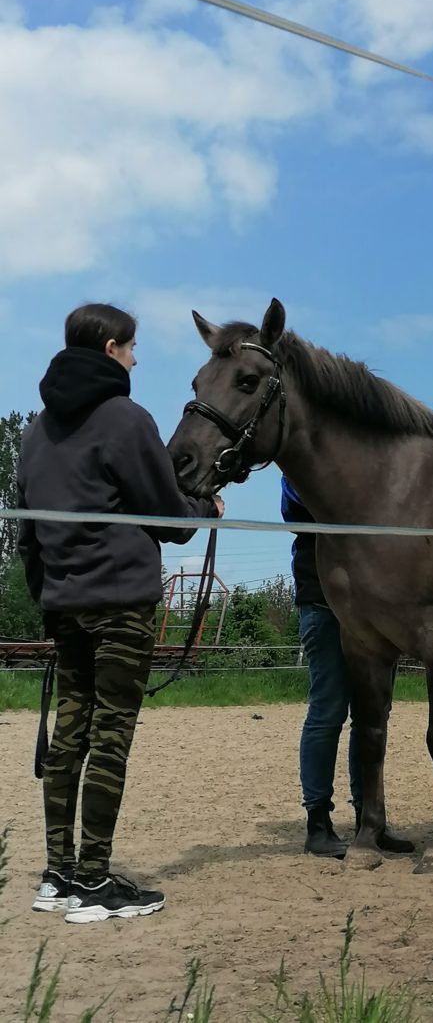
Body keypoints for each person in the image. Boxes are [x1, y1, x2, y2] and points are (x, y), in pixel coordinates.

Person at [17, 303, 223, 923]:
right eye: (132, 349)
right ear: (110, 349)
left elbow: (28, 536)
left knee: (70, 738)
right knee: (111, 738)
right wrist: (204, 510)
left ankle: (57, 873)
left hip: (65, 605)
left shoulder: (35, 431)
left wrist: (49, 596)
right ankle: (94, 879)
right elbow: (165, 514)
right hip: (122, 605)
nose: (137, 359)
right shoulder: (126, 420)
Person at [281, 477, 414, 858]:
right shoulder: (302, 470)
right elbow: (309, 502)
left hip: (374, 607)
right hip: (323, 600)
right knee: (328, 709)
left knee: (372, 716)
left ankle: (368, 819)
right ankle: (318, 823)